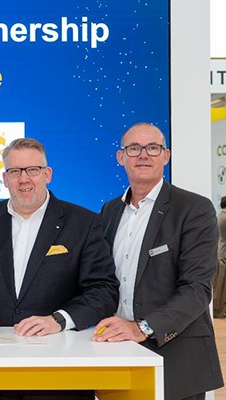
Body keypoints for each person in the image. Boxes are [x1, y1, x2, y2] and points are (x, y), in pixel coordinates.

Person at [0, 138, 119, 400]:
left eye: (32, 170)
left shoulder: (83, 222)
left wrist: (59, 320)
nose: (24, 179)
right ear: (5, 178)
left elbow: (103, 289)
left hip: (62, 373)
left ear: (47, 174)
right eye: (15, 171)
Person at [93, 122, 224, 400]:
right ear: (121, 157)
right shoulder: (109, 211)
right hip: (118, 353)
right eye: (134, 148)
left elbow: (197, 289)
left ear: (166, 156)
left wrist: (142, 328)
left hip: (177, 358)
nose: (143, 155)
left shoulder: (194, 208)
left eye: (152, 148)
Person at [215, 196, 226, 317]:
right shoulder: (224, 217)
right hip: (224, 254)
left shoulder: (220, 216)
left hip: (221, 252)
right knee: (222, 286)